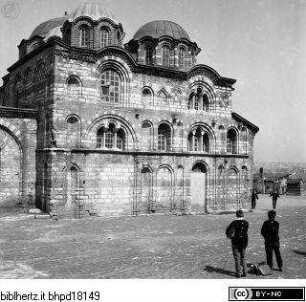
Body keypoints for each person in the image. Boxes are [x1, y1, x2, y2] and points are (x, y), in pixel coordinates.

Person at [226, 209, 249, 278]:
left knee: (237, 258)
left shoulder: (234, 222)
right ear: (243, 214)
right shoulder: (246, 223)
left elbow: (228, 231)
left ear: (236, 215)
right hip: (244, 241)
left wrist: (230, 237)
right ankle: (245, 273)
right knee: (243, 257)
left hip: (235, 241)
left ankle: (238, 273)